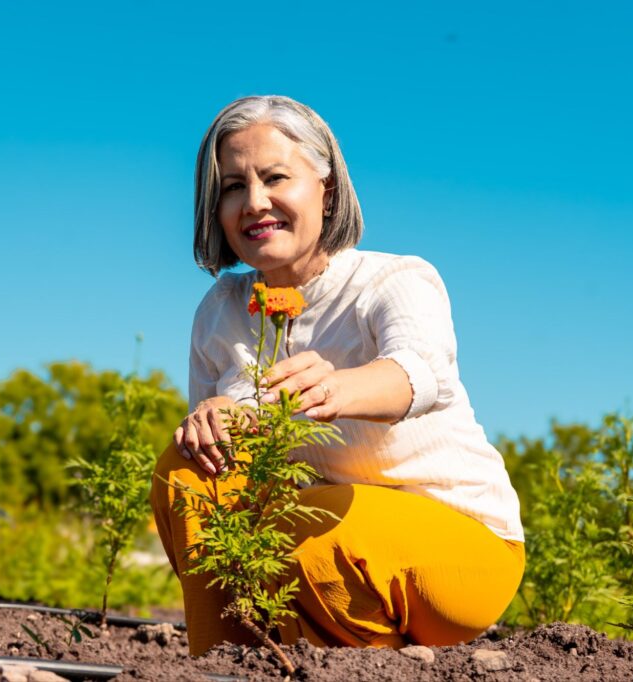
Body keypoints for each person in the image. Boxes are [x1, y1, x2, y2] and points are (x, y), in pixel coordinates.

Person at [150, 95, 525, 656]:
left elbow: (420, 373)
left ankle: (368, 667)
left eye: (276, 177)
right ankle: (224, 660)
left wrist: (337, 388)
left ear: (326, 189)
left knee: (313, 543)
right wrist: (213, 418)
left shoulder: (393, 280)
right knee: (189, 469)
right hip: (312, 537)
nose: (254, 202)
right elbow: (222, 472)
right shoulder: (220, 311)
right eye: (232, 186)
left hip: (461, 545)